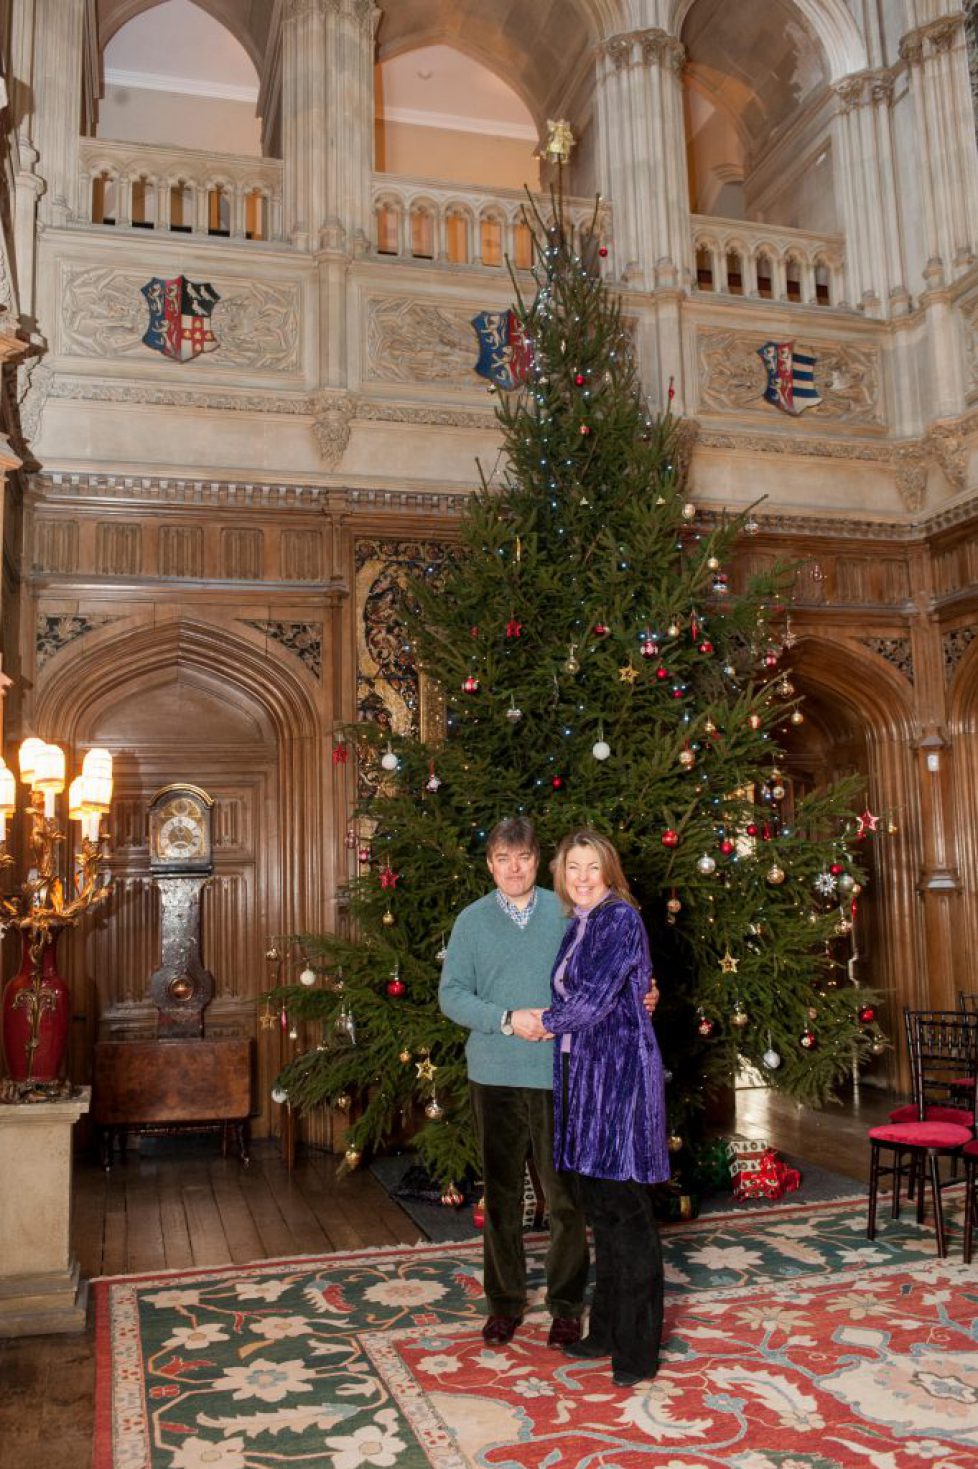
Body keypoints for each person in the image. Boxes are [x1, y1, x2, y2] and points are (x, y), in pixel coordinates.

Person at [438, 816, 590, 1349]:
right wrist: (507, 1019)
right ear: (490, 864)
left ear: (537, 859)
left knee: (565, 1197)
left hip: (557, 1073)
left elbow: (595, 978)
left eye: (523, 858)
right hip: (495, 1074)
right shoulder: (471, 922)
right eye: (503, 859)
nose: (513, 868)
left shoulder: (565, 911)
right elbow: (451, 994)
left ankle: (566, 1304)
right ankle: (503, 1303)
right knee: (501, 1197)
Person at [538, 828, 669, 1389]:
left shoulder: (618, 919)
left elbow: (589, 1001)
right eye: (573, 868)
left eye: (593, 867)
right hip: (583, 1075)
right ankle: (608, 1330)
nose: (583, 878)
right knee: (602, 1210)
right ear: (561, 876)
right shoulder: (579, 924)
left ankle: (637, 1349)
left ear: (609, 872)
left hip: (617, 1078)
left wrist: (540, 1022)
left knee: (627, 1214)